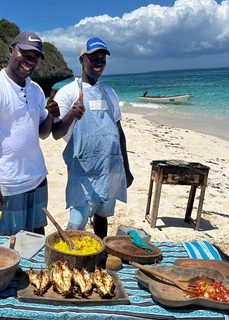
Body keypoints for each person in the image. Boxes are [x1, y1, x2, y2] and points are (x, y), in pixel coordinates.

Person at [0, 31, 60, 236]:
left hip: (38, 177)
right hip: (9, 183)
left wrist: (51, 115)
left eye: (34, 57)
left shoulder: (36, 89)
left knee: (37, 236)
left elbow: (42, 134)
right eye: (24, 53)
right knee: (7, 245)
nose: (29, 61)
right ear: (11, 50)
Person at [52, 37, 133, 239]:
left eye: (102, 58)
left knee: (102, 215)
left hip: (109, 167)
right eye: (92, 57)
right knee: (77, 222)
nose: (98, 61)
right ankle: (70, 261)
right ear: (82, 60)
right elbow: (56, 133)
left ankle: (100, 250)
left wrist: (126, 168)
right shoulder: (68, 92)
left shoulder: (109, 93)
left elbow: (119, 133)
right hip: (83, 171)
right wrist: (72, 114)